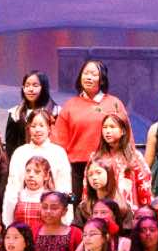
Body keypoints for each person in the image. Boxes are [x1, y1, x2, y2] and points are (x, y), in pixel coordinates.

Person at [52, 59, 128, 189]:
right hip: (76, 169)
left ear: (102, 80)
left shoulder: (115, 103)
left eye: (93, 74)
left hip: (109, 166)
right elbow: (59, 142)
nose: (88, 77)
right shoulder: (70, 105)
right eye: (85, 73)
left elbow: (127, 137)